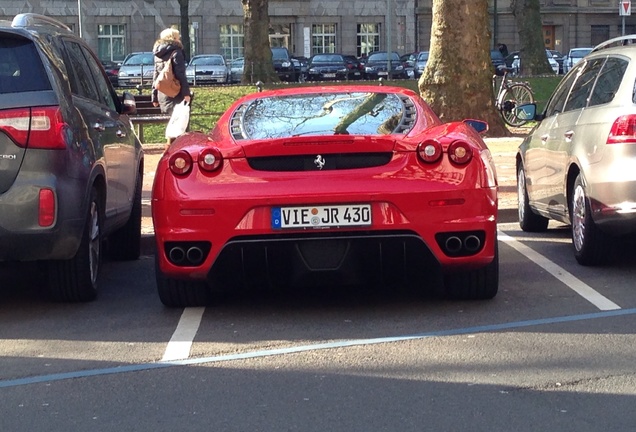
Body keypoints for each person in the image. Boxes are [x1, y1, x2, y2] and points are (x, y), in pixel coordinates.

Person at [151, 28, 191, 150]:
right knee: (181, 125)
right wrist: (186, 93)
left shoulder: (158, 53)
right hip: (176, 93)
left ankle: (171, 150)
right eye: (178, 37)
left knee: (172, 125)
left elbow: (156, 76)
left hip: (163, 93)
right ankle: (176, 152)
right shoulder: (177, 52)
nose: (179, 39)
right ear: (173, 38)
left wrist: (154, 95)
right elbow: (180, 75)